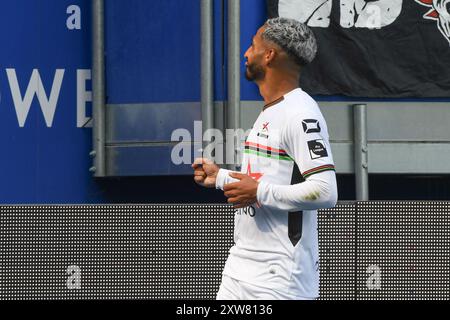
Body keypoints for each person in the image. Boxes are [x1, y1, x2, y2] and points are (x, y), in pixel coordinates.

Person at [192, 17, 338, 300]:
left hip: (279, 281)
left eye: (252, 45)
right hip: (241, 269)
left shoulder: (301, 112)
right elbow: (265, 180)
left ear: (269, 55)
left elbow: (326, 191)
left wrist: (258, 191)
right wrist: (220, 177)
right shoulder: (271, 110)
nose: (246, 53)